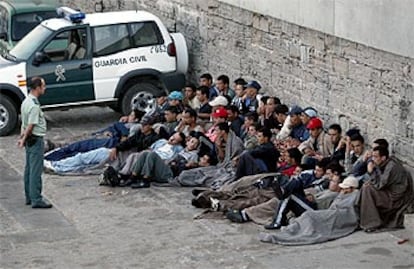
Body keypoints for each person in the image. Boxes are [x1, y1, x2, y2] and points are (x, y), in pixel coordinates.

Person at [358, 146, 414, 232]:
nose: (373, 159)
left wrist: (371, 172)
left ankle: (372, 223)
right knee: (366, 186)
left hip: (396, 199)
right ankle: (362, 217)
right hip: (388, 192)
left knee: (367, 189)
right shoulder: (385, 163)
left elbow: (380, 184)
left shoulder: (391, 167)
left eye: (375, 157)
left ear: (383, 158)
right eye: (372, 156)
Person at [17, 77, 52, 208]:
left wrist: (22, 138)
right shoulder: (34, 106)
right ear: (37, 88)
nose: (44, 88)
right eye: (43, 86)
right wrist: (23, 139)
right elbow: (31, 125)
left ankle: (29, 196)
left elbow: (24, 124)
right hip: (35, 139)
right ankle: (36, 199)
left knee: (29, 169)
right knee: (35, 171)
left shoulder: (26, 102)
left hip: (29, 140)